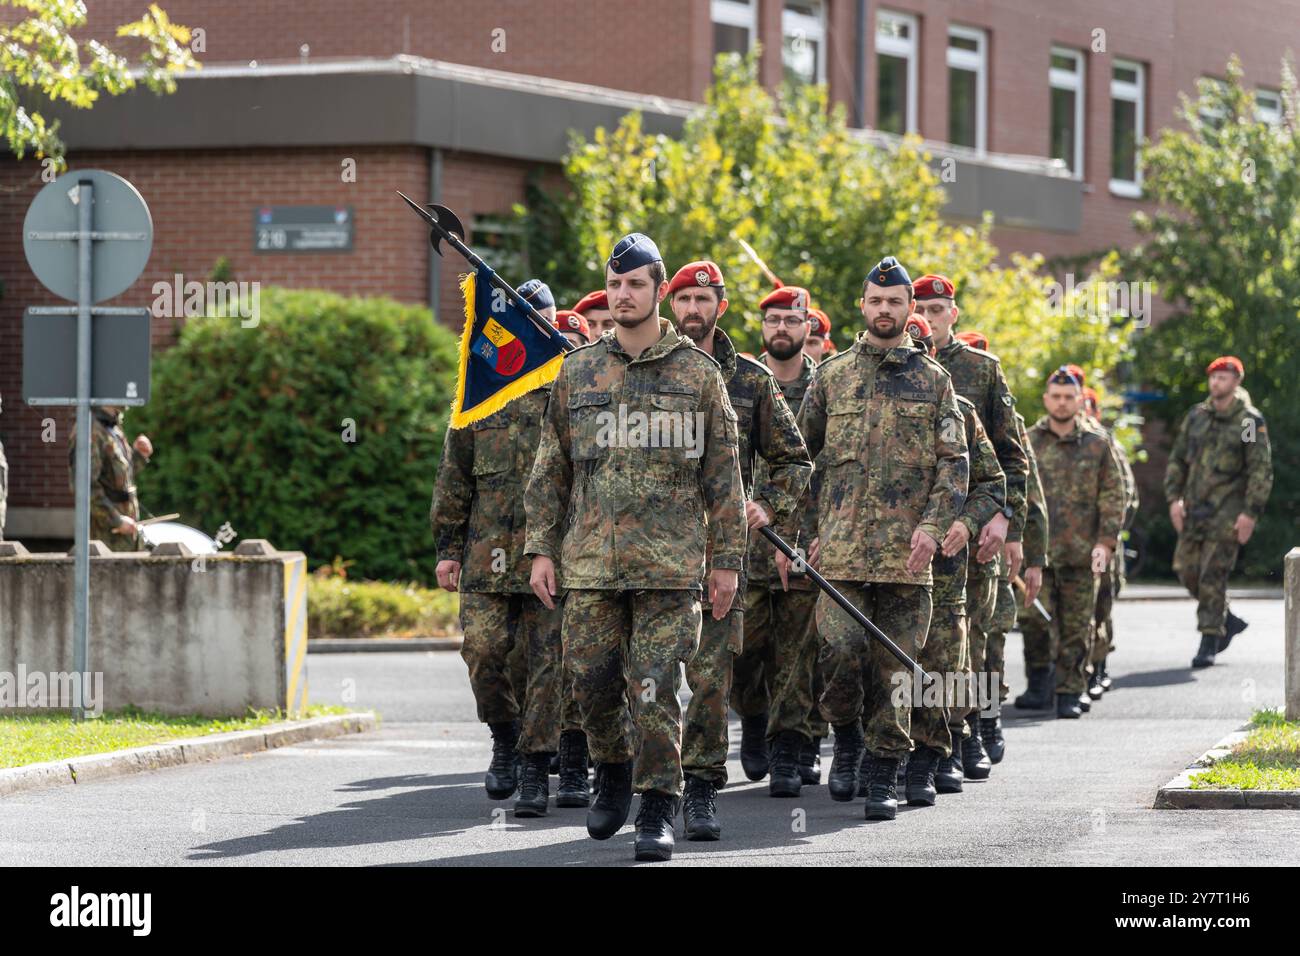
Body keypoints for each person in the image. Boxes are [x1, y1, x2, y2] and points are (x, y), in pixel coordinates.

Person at [524, 232, 747, 862]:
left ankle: (656, 804)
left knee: (653, 683)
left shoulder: (698, 376)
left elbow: (724, 480)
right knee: (589, 681)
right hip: (590, 563)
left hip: (670, 568)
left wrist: (726, 562)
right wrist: (541, 550)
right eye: (615, 284)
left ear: (658, 290)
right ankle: (613, 768)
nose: (623, 295)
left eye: (635, 285)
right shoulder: (578, 371)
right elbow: (551, 470)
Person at [795, 255, 968, 820]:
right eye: (876, 300)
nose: (885, 309)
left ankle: (885, 773)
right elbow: (798, 460)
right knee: (840, 654)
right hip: (840, 555)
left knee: (897, 671)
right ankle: (845, 736)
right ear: (863, 306)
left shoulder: (934, 382)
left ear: (909, 309)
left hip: (905, 557)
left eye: (895, 301)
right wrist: (805, 532)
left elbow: (954, 464)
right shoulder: (832, 376)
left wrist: (933, 526)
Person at [666, 262, 810, 827]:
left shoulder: (750, 380)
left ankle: (700, 785)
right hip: (646, 553)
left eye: (703, 298)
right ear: (668, 304)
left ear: (720, 307)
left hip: (726, 555)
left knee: (712, 673)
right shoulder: (632, 371)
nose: (692, 309)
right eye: (683, 299)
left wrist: (768, 502)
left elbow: (793, 458)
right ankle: (631, 774)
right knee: (635, 672)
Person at [430, 370, 567, 816]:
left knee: (548, 668)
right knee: (482, 651)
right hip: (486, 557)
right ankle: (505, 733)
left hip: (551, 556)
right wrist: (448, 549)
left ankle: (534, 767)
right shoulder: (479, 396)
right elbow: (454, 478)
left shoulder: (569, 391)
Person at [912, 274, 1028, 776]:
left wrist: (1007, 521)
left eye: (938, 309)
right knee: (921, 636)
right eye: (922, 308)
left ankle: (970, 728)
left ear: (953, 314)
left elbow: (1010, 458)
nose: (930, 317)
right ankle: (932, 737)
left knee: (971, 634)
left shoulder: (980, 371)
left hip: (975, 527)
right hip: (916, 526)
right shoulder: (898, 365)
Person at [903, 322, 1006, 805]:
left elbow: (992, 479)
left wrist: (968, 523)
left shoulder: (961, 412)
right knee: (883, 657)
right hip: (886, 556)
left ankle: (943, 747)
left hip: (946, 559)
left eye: (925, 350)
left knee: (946, 655)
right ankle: (877, 751)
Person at [748, 293, 827, 790]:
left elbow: (830, 470)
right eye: (773, 319)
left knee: (797, 654)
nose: (781, 327)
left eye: (791, 319)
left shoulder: (829, 385)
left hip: (805, 541)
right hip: (746, 543)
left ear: (806, 326)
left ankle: (789, 748)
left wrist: (817, 533)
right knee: (742, 651)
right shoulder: (740, 380)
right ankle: (754, 720)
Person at [1016, 367, 1124, 718]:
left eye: (1069, 397)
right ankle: (1037, 683)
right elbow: (1015, 492)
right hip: (1038, 555)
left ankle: (1070, 691)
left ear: (1080, 400)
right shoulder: (1028, 441)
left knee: (1077, 626)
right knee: (1033, 621)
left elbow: (1112, 496)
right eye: (1056, 397)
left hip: (1081, 554)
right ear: (1046, 400)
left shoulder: (1097, 445)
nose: (1062, 403)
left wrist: (1105, 543)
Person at [1164, 356, 1272, 667]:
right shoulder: (1196, 416)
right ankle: (1228, 618)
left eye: (1223, 378)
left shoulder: (1249, 422)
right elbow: (1177, 460)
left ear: (1236, 381)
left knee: (1212, 574)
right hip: (1195, 508)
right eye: (1213, 377)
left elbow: (1260, 468)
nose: (1216, 383)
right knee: (1186, 570)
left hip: (1228, 510)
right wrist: (1174, 499)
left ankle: (1210, 638)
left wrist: (1250, 513)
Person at [1082, 386, 1138, 695]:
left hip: (1102, 542)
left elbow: (1127, 495)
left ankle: (1098, 667)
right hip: (1069, 544)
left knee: (1100, 607)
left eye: (1088, 408)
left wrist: (1109, 535)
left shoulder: (1106, 446)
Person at [67, 405, 153, 551]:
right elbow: (85, 488)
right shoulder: (89, 430)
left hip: (126, 537)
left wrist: (139, 456)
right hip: (105, 540)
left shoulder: (112, 427)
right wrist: (116, 521)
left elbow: (118, 478)